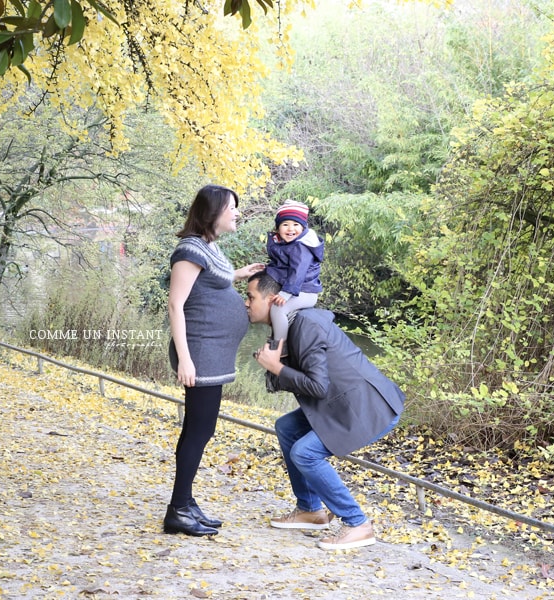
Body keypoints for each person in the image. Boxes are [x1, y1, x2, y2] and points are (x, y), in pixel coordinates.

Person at [245, 271, 405, 550]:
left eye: (250, 297)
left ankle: (358, 524)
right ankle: (311, 510)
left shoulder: (306, 325)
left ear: (272, 300)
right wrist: (276, 359)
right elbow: (285, 382)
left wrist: (277, 366)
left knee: (305, 452)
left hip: (368, 407)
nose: (245, 303)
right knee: (287, 428)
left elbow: (317, 386)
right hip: (341, 403)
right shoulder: (287, 327)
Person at [165, 184, 265, 537]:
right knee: (198, 429)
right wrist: (186, 361)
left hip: (213, 353)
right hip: (200, 353)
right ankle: (177, 509)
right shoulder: (189, 250)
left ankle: (185, 502)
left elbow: (210, 282)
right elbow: (176, 304)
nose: (237, 212)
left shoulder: (208, 248)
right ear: (213, 211)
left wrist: (238, 275)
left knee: (201, 429)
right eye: (232, 207)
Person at [264, 200, 324, 350]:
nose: (290, 229)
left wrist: (286, 293)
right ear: (277, 228)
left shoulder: (302, 246)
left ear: (303, 227)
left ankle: (280, 346)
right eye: (285, 224)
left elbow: (298, 271)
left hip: (306, 291)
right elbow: (282, 265)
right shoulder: (286, 244)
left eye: (296, 225)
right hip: (299, 288)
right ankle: (277, 336)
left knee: (278, 308)